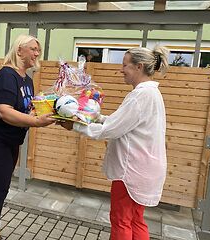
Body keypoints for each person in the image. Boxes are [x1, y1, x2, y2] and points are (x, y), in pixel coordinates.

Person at [60, 46, 170, 240]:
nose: (121, 70)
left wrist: (74, 126)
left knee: (121, 220)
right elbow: (123, 123)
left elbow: (110, 130)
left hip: (132, 172)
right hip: (146, 169)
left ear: (139, 67)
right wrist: (96, 116)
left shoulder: (140, 95)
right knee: (136, 219)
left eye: (125, 65)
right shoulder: (152, 94)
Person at [0, 34, 56, 240]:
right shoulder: (6, 76)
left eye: (38, 50)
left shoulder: (27, 79)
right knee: (0, 185)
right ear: (19, 51)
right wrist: (35, 122)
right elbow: (4, 111)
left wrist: (46, 111)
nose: (37, 53)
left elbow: (25, 110)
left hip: (11, 139)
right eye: (33, 49)